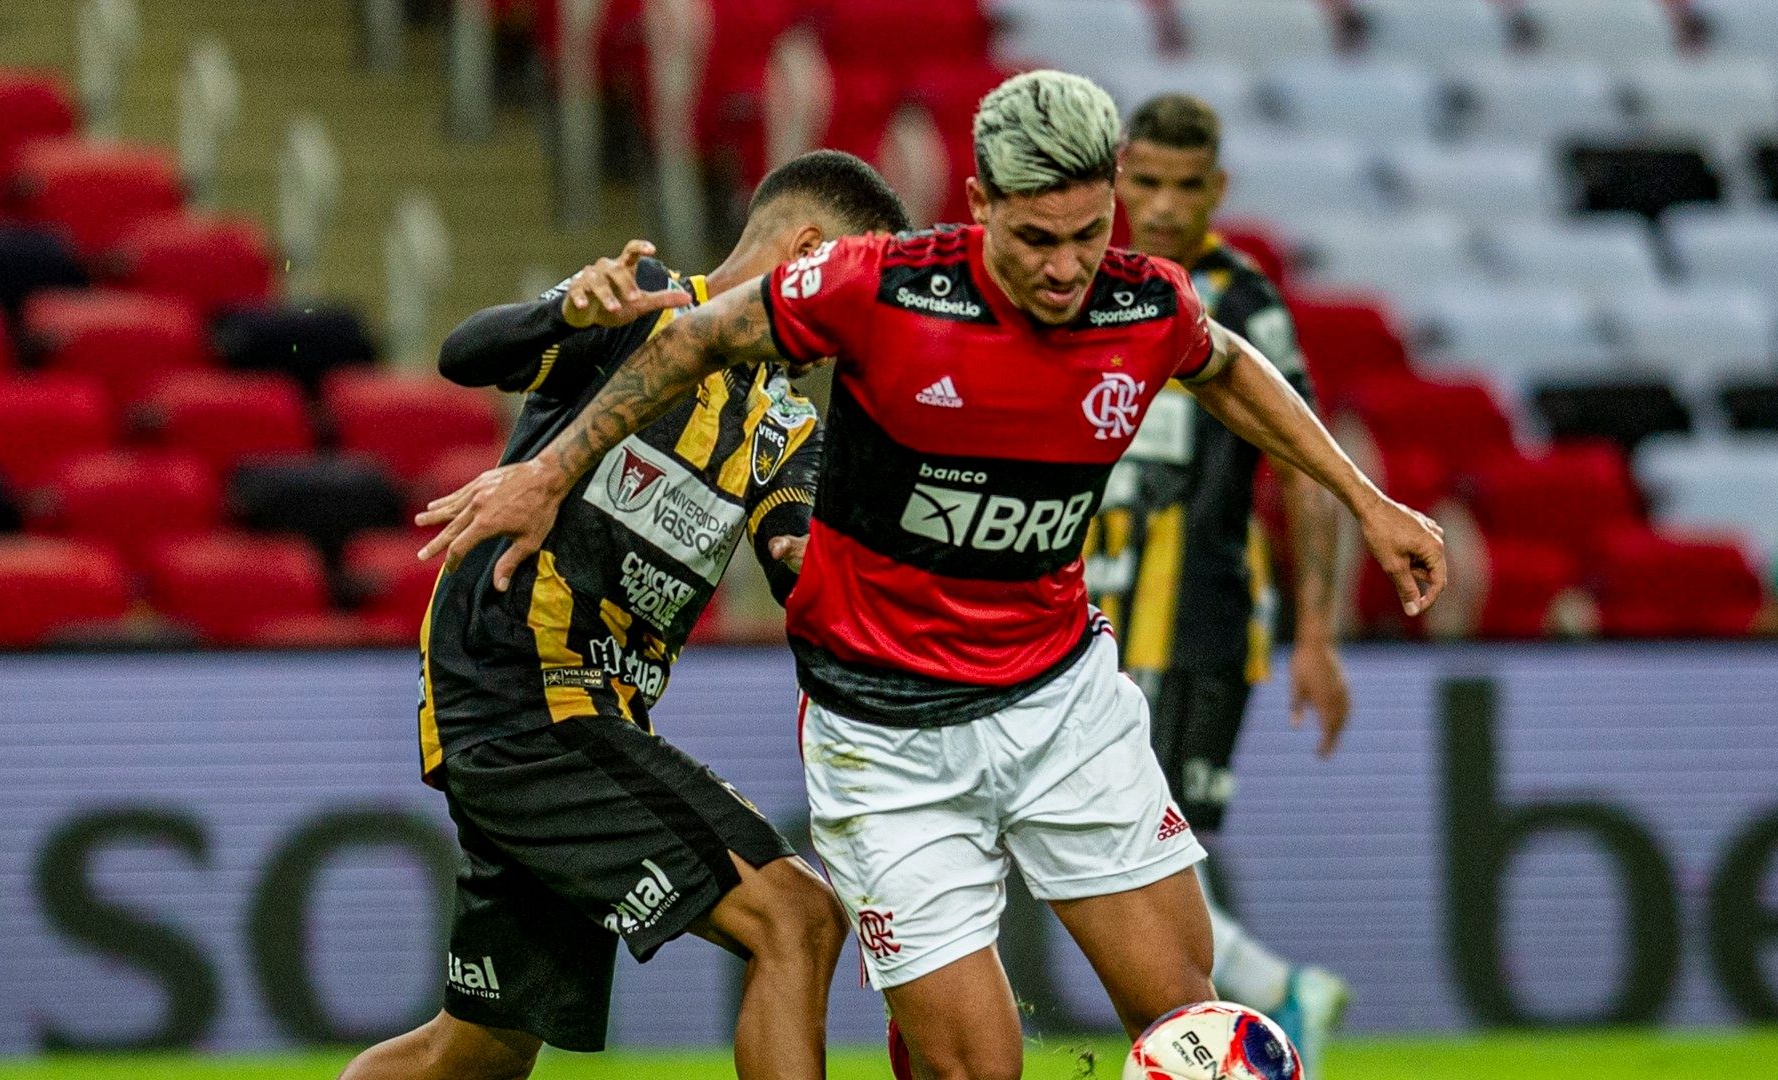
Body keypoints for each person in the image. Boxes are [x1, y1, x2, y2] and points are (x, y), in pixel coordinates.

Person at [415, 71, 1445, 1080]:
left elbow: (1221, 362)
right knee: (860, 974)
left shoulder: (1128, 310)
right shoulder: (849, 290)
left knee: (1185, 1018)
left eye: (1089, 236)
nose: (1064, 269)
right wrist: (549, 457)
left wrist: (1368, 499)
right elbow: (626, 342)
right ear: (982, 206)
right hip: (835, 734)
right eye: (1037, 238)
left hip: (1057, 701)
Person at [339, 150, 910, 1080]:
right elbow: (464, 356)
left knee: (474, 1052)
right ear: (807, 250)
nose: (858, 320)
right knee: (797, 920)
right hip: (522, 692)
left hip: (585, 715)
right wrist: (562, 312)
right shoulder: (644, 304)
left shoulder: (789, 426)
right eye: (853, 279)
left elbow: (795, 553)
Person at [1105, 93, 1350, 1073]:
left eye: (1185, 185)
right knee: (1118, 853)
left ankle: (1245, 1017)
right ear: (1119, 179)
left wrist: (1319, 635)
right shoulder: (1096, 285)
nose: (1163, 205)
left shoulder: (1242, 303)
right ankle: (1274, 995)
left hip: (1198, 613)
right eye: (1147, 181)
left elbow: (1308, 467)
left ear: (1218, 188)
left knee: (1145, 856)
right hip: (1099, 618)